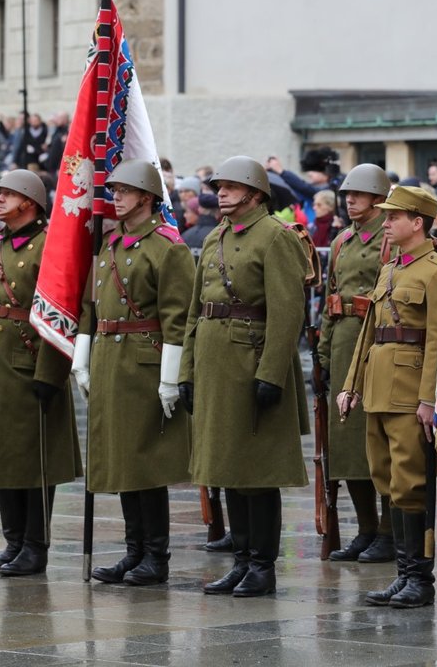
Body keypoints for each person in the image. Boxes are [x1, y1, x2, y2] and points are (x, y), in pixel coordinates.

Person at [180, 156, 309, 598]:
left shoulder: (275, 237)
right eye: (220, 186)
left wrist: (271, 373)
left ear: (256, 192)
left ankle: (261, 566)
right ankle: (240, 561)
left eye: (232, 186)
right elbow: (195, 310)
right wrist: (187, 371)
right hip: (215, 364)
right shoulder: (216, 235)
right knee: (228, 468)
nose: (222, 192)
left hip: (251, 362)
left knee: (257, 472)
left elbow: (288, 311)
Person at [72, 159, 194, 586]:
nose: (115, 198)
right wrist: (81, 358)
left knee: (146, 463)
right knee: (122, 460)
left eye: (123, 191)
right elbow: (91, 305)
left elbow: (178, 317)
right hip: (110, 360)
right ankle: (133, 550)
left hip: (144, 362)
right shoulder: (108, 244)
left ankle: (155, 557)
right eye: (114, 190)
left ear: (146, 196)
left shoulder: (168, 247)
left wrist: (170, 376)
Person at [0, 170, 82, 576]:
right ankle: (12, 543)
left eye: (8, 194)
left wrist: (51, 372)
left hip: (27, 362)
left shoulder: (49, 246)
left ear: (30, 201)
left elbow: (62, 312)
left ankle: (34, 546)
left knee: (33, 459)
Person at [337, 185, 437, 608]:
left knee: (411, 485)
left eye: (394, 216)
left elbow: (436, 339)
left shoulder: (436, 271)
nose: (386, 223)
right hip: (378, 387)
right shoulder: (389, 269)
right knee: (386, 480)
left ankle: (420, 579)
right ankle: (404, 575)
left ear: (417, 222)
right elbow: (369, 333)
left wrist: (427, 398)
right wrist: (352, 384)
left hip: (408, 390)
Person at [318, 164, 395, 563]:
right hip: (345, 340)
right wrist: (323, 354)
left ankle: (388, 530)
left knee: (378, 442)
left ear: (379, 198)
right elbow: (331, 299)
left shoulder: (392, 237)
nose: (349, 200)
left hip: (378, 341)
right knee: (346, 445)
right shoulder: (342, 241)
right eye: (347, 194)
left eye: (358, 194)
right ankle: (366, 528)